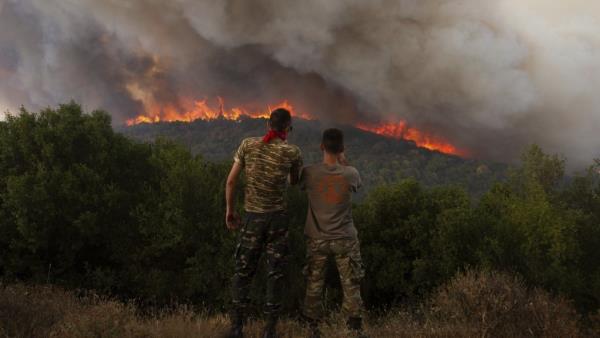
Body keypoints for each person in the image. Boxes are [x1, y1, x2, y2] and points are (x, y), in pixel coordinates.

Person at [225, 108, 303, 338]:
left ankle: (237, 328)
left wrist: (230, 211)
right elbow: (293, 182)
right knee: (275, 274)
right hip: (277, 220)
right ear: (287, 128)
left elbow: (231, 182)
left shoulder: (247, 145)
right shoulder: (292, 152)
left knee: (243, 272)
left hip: (251, 218)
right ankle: (269, 331)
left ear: (268, 125)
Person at [300, 128, 368, 338]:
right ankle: (354, 329)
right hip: (344, 239)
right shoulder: (351, 173)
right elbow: (356, 184)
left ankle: (312, 328)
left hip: (317, 239)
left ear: (321, 146)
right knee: (351, 284)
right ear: (342, 149)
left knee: (314, 283)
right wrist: (344, 161)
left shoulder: (309, 172)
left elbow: (295, 181)